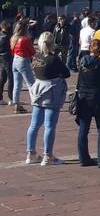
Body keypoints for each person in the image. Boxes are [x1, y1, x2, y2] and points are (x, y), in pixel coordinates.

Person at [25, 32, 71, 165]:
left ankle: (31, 153)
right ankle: (48, 156)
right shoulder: (53, 59)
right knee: (49, 125)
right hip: (51, 90)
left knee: (34, 125)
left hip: (38, 88)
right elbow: (66, 73)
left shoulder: (35, 57)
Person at [75, 49, 100, 167]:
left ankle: (83, 158)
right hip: (99, 97)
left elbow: (79, 79)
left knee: (83, 129)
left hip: (84, 97)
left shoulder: (82, 62)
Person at [11, 20, 36, 114]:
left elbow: (12, 50)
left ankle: (16, 104)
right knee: (31, 83)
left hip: (15, 60)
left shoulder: (14, 38)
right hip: (23, 60)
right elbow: (32, 51)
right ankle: (35, 103)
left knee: (17, 84)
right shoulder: (25, 39)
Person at [0, 21, 13, 107]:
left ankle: (1, 98)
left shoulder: (1, 35)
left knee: (3, 77)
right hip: (7, 57)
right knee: (10, 77)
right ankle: (11, 98)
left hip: (2, 57)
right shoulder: (6, 36)